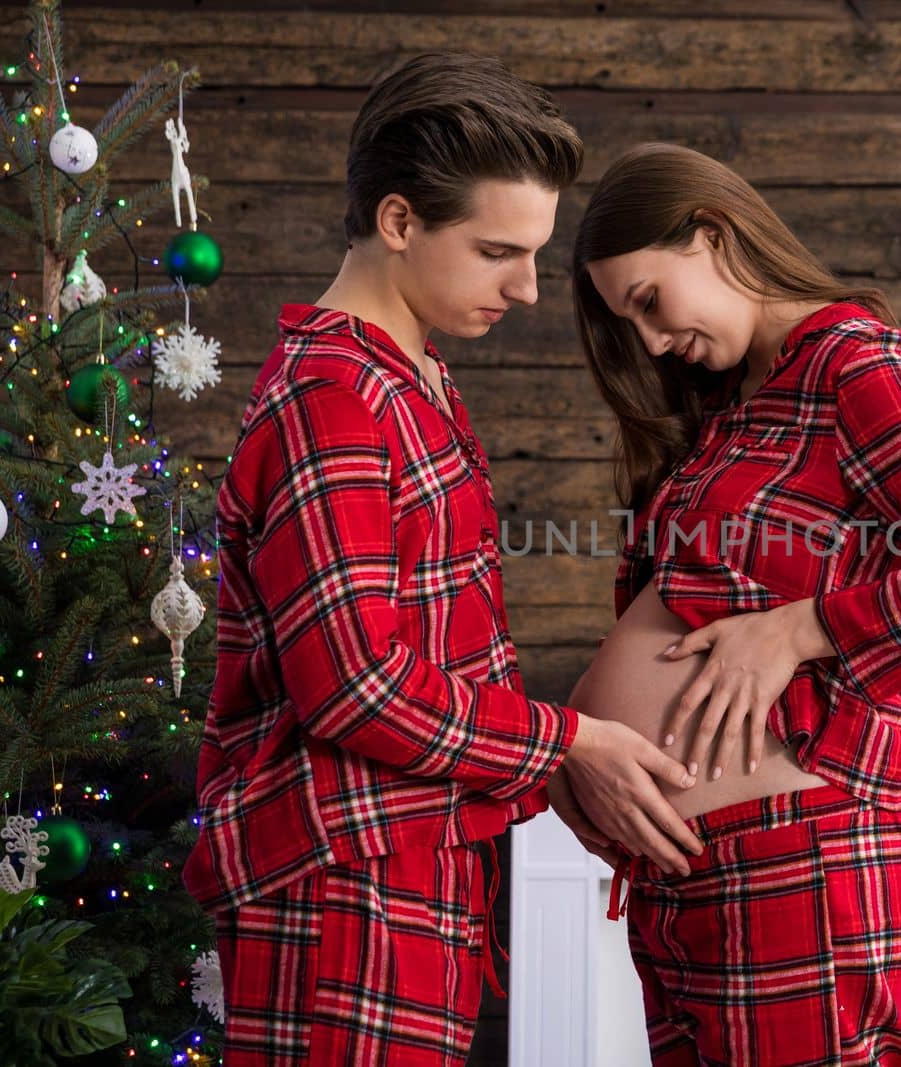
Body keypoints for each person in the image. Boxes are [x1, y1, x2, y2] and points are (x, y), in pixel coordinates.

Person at [183, 58, 701, 1066]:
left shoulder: (416, 379)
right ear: (398, 221)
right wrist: (568, 741)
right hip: (339, 883)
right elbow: (352, 684)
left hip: (418, 867)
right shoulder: (335, 399)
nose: (526, 286)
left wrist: (541, 775)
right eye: (497, 250)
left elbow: (440, 651)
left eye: (536, 252)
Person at [555, 142, 901, 1065]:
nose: (652, 342)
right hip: (694, 890)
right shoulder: (735, 406)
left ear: (710, 235)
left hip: (798, 874)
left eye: (648, 302)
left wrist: (799, 630)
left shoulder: (851, 365)